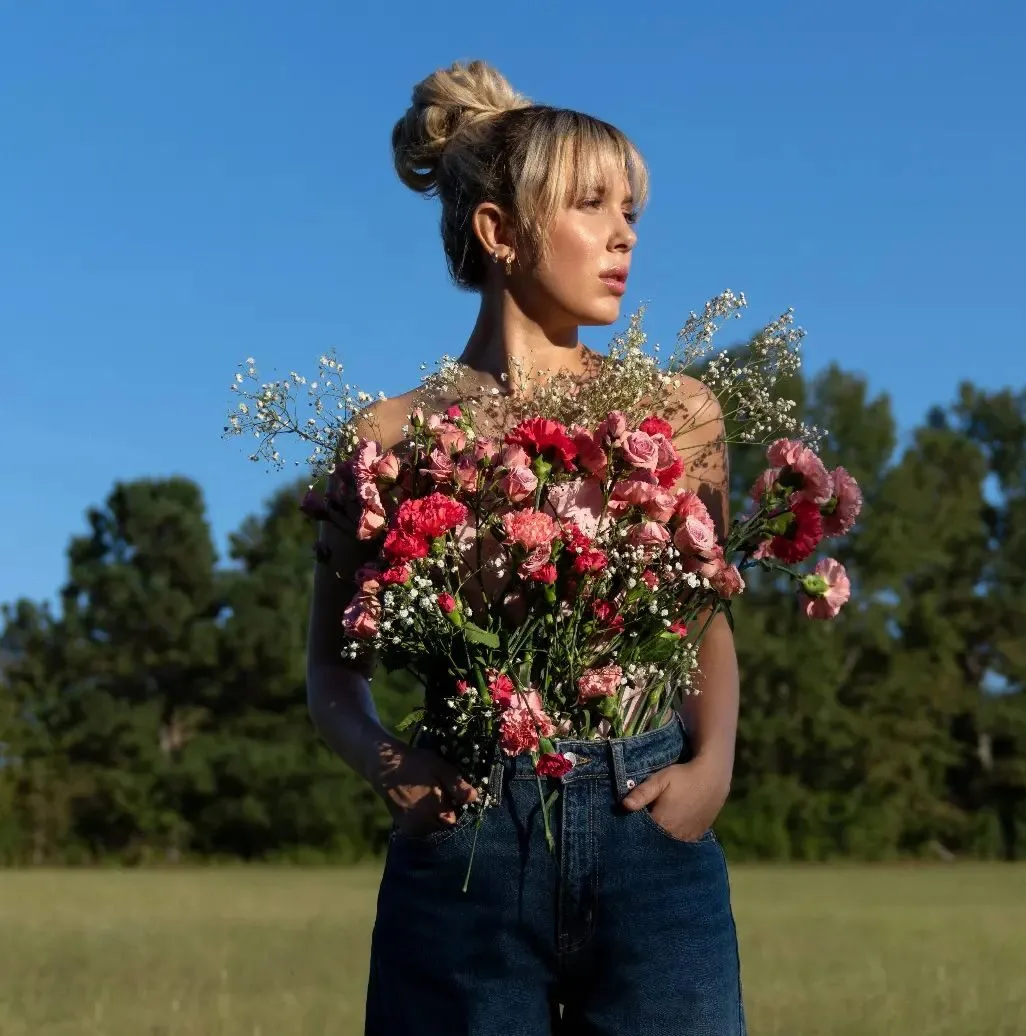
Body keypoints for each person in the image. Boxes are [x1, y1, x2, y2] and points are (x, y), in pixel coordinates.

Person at [305, 60, 747, 1035]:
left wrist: (711, 765)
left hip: (651, 831)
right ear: (499, 231)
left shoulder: (678, 416)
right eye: (591, 204)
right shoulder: (387, 438)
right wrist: (398, 773)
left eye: (629, 206)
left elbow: (702, 625)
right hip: (466, 851)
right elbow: (330, 675)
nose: (625, 232)